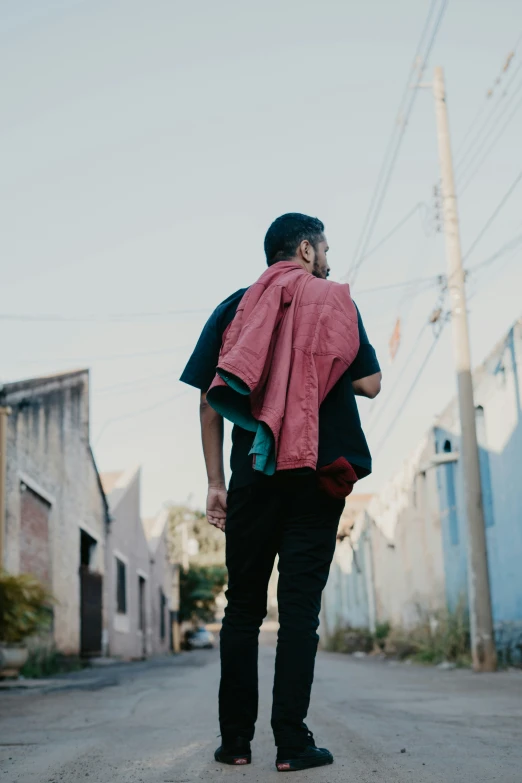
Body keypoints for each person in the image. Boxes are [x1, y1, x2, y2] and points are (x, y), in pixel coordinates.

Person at [180, 213, 381, 773]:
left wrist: (216, 483)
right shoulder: (335, 301)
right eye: (324, 247)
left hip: (252, 475)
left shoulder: (235, 308)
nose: (327, 256)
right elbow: (370, 384)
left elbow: (208, 399)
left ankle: (235, 744)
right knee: (298, 614)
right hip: (317, 476)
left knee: (242, 609)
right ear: (305, 250)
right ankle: (292, 744)